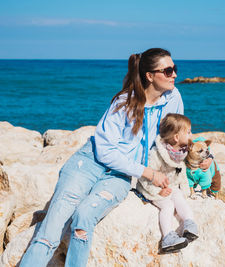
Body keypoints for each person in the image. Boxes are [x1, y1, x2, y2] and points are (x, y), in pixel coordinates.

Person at [20, 48, 183, 267]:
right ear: (150, 76)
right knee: (51, 228)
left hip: (119, 176)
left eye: (175, 69)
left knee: (83, 219)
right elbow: (105, 151)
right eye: (168, 70)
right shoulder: (124, 102)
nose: (174, 74)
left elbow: (174, 139)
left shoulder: (173, 99)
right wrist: (147, 172)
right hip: (88, 163)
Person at [136, 113, 198, 253]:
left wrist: (185, 190)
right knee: (168, 205)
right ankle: (168, 237)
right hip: (152, 189)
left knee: (179, 198)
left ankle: (189, 223)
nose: (191, 135)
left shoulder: (180, 152)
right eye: (188, 132)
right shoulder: (156, 154)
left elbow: (181, 172)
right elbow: (145, 177)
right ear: (176, 137)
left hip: (171, 187)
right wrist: (157, 191)